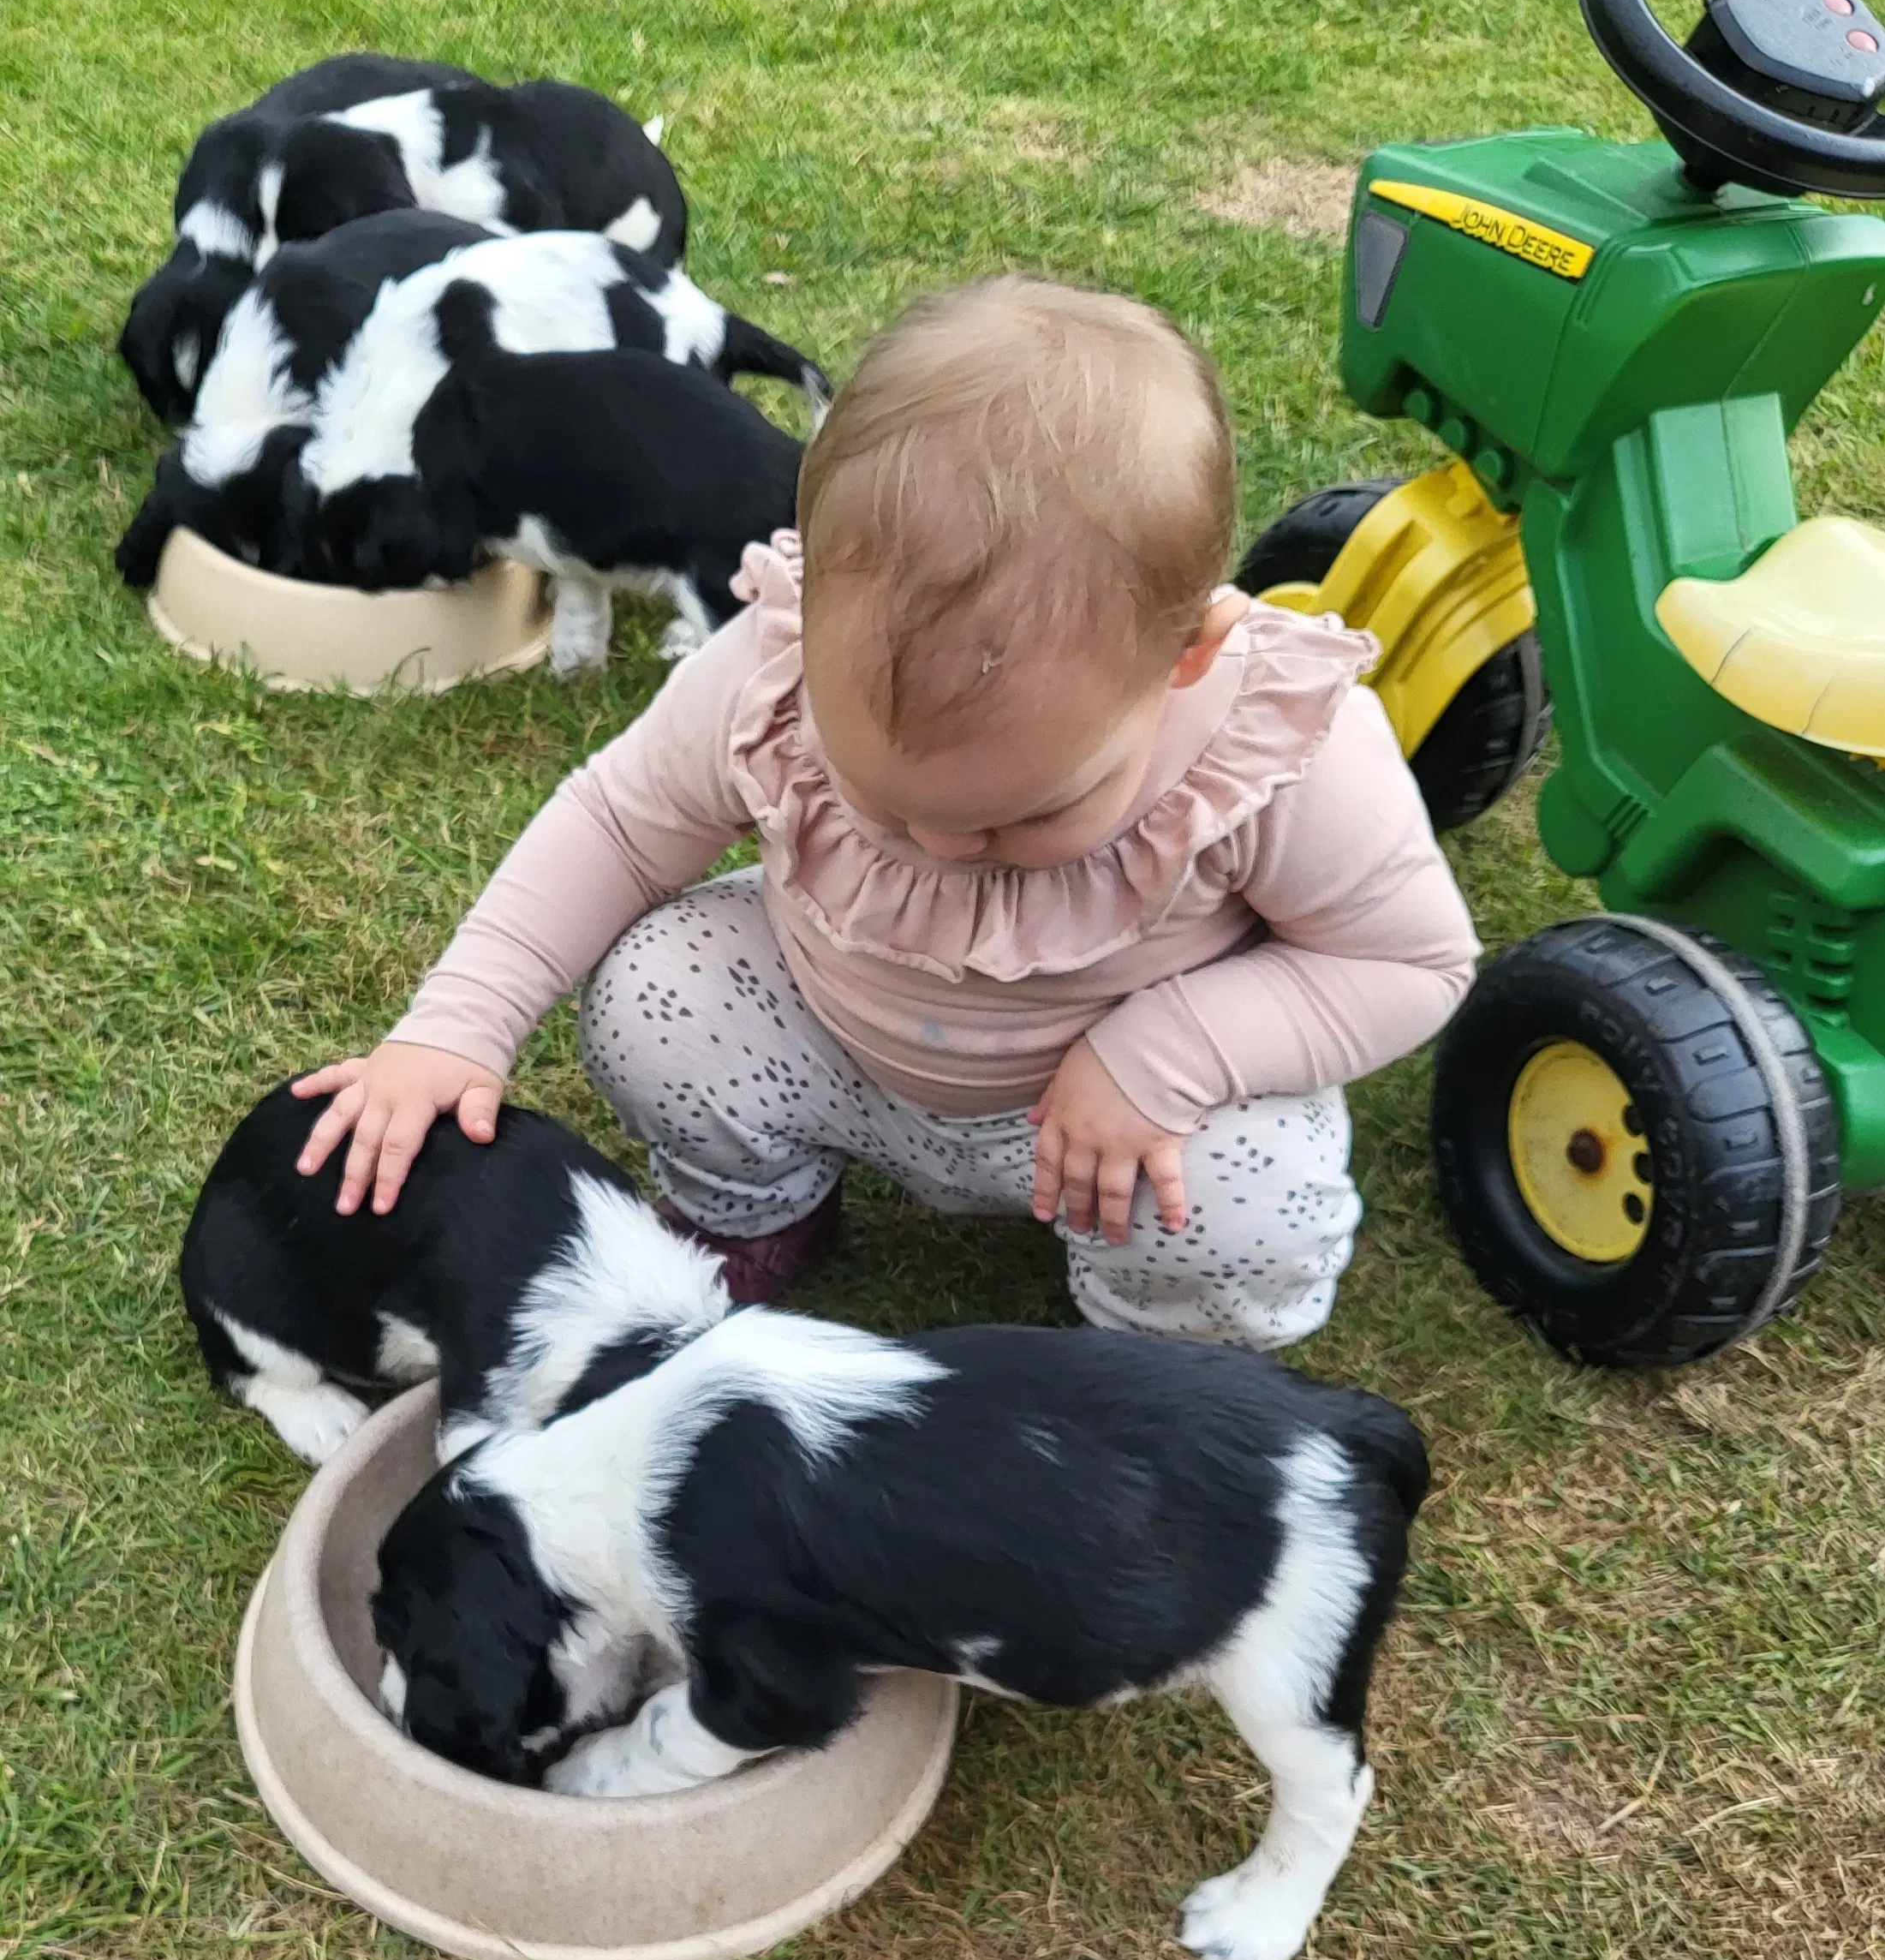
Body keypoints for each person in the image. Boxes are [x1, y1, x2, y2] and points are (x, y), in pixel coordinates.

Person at [294, 275, 1478, 1348]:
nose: (951, 850)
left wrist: (1171, 1057)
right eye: (886, 805)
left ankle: (1149, 1352)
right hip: (837, 1051)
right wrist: (456, 1025)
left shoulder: (1278, 746)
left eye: (1026, 816)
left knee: (1245, 1208)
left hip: (1128, 1118)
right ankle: (760, 1211)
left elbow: (1409, 960)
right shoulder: (771, 661)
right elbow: (614, 822)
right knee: (658, 993)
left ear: (1185, 656)